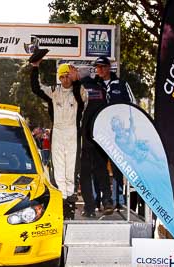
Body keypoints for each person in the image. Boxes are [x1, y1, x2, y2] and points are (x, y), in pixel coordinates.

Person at [31, 59, 87, 220]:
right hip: (58, 131)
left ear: (73, 77)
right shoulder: (54, 91)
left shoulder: (80, 91)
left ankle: (70, 201)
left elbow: (81, 96)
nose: (65, 80)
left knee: (71, 167)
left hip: (73, 132)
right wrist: (35, 67)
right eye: (62, 76)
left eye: (68, 76)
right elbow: (36, 88)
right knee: (58, 167)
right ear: (59, 78)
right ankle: (61, 201)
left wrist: (77, 80)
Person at [94, 56, 136, 211]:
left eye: (103, 66)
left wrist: (130, 127)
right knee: (98, 166)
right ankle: (98, 200)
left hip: (117, 134)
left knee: (118, 166)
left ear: (109, 68)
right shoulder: (94, 85)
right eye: (98, 67)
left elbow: (133, 105)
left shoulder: (122, 84)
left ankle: (118, 200)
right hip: (99, 133)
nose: (100, 69)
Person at [75, 70, 113, 218]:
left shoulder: (77, 89)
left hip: (83, 140)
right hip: (99, 138)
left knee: (84, 175)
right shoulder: (101, 89)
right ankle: (107, 201)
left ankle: (89, 208)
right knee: (102, 171)